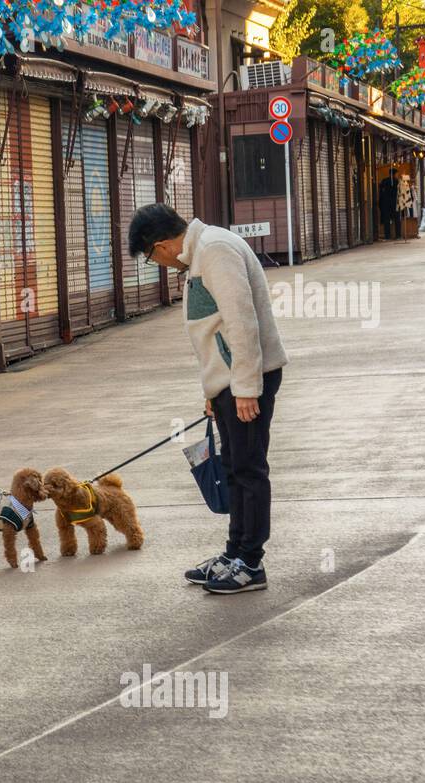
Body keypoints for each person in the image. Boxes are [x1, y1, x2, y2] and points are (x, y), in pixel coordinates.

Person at [127, 204, 289, 595]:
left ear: (161, 245)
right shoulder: (199, 254)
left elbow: (240, 321)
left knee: (249, 469)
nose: (158, 264)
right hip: (228, 383)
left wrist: (245, 387)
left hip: (247, 379)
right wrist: (213, 392)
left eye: (151, 257)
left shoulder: (214, 250)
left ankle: (250, 563)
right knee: (233, 467)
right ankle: (234, 553)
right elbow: (211, 330)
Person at [378, 167, 401, 240]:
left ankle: (387, 236)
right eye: (397, 174)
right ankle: (398, 235)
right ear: (394, 174)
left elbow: (381, 191)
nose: (398, 175)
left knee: (386, 220)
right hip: (394, 203)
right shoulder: (397, 182)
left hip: (385, 203)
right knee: (397, 219)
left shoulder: (384, 181)